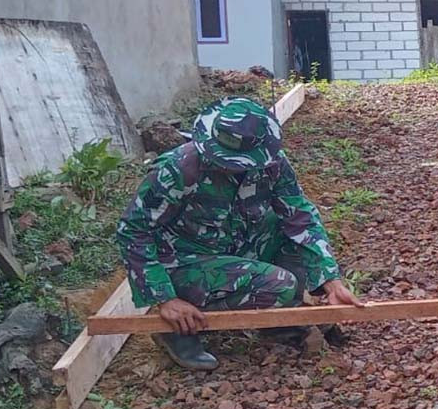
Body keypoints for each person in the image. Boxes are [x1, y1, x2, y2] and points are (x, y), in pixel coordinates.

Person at [116, 97, 365, 371]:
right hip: (185, 262)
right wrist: (164, 297)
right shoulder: (178, 168)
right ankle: (177, 329)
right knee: (280, 284)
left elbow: (300, 217)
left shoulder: (271, 164)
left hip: (234, 244)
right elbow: (134, 231)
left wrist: (330, 279)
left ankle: (277, 320)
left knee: (295, 238)